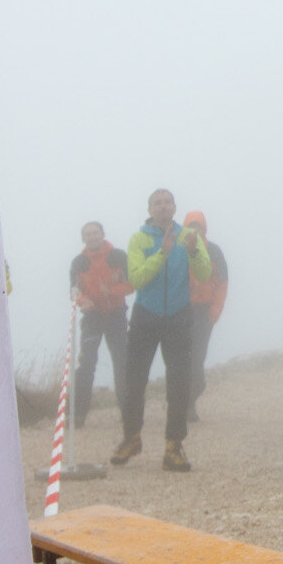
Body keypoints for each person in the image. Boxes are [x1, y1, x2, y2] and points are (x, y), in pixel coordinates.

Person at [113, 188, 210, 472]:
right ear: (150, 208)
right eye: (158, 203)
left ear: (175, 207)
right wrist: (162, 253)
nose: (163, 207)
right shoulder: (139, 238)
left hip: (179, 315)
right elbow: (138, 279)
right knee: (134, 381)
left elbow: (204, 274)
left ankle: (174, 446)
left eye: (167, 202)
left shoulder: (188, 236)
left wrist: (192, 251)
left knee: (179, 383)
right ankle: (131, 438)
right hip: (146, 315)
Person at [69, 221, 131, 426]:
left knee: (122, 362)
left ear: (103, 234)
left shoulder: (119, 256)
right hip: (92, 317)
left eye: (96, 233)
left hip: (116, 314)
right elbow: (74, 291)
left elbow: (132, 283)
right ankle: (77, 416)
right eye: (88, 234)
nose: (92, 236)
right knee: (86, 364)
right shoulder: (78, 262)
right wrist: (82, 301)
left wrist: (112, 291)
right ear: (83, 238)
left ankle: (128, 412)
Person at [183, 211, 230, 415]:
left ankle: (193, 394)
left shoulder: (213, 251)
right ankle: (185, 404)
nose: (195, 229)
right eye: (191, 225)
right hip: (181, 310)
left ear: (204, 228)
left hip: (204, 310)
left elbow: (222, 283)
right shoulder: (178, 249)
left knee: (198, 355)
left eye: (198, 225)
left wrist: (216, 309)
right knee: (181, 358)